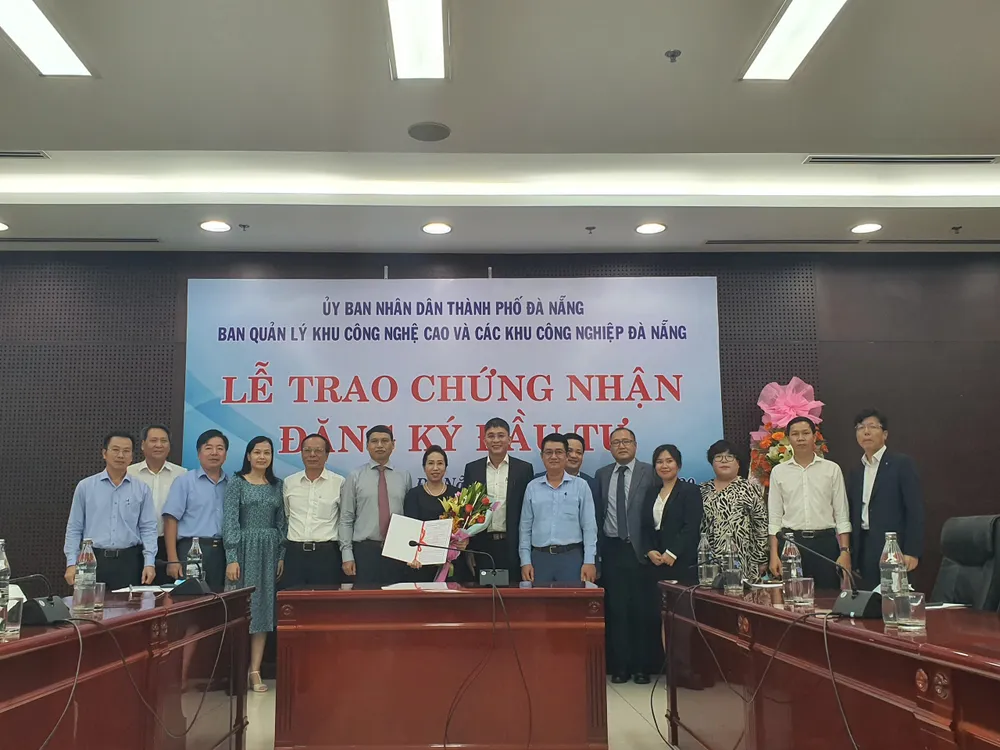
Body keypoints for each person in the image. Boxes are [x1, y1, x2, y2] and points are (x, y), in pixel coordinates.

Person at [224, 436, 287, 694]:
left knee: (263, 610)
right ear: (248, 456)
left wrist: (281, 555)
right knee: (241, 611)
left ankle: (255, 670)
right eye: (257, 452)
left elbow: (282, 523)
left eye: (267, 453)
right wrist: (232, 557)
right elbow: (230, 520)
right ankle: (236, 671)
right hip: (243, 550)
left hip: (269, 553)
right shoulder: (236, 483)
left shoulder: (277, 485)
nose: (262, 457)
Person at [595, 426, 655, 684]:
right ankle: (620, 667)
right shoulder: (602, 474)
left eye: (626, 441)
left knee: (641, 610)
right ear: (610, 447)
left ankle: (642, 667)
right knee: (616, 610)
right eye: (616, 442)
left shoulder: (649, 472)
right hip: (612, 549)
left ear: (635, 445)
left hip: (640, 550)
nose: (621, 446)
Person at [641, 444, 703, 689]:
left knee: (682, 620)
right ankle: (670, 670)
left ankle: (685, 670)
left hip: (681, 564)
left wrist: (672, 553)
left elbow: (691, 526)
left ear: (679, 464)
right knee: (661, 618)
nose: (664, 465)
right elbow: (645, 527)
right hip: (655, 565)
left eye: (669, 461)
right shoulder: (651, 493)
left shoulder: (690, 491)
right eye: (659, 461)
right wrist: (649, 551)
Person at [63, 432, 157, 591]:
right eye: (115, 450)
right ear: (104, 453)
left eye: (126, 451)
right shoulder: (85, 487)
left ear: (132, 457)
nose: (121, 455)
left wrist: (149, 563)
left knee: (128, 606)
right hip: (92, 559)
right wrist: (71, 563)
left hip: (129, 561)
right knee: (89, 605)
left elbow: (148, 528)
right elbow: (74, 528)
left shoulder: (142, 489)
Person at [768, 417, 851, 591]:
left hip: (825, 544)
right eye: (795, 434)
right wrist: (774, 554)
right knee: (793, 598)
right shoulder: (778, 472)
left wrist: (845, 551)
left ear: (814, 436)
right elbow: (774, 518)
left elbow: (842, 514)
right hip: (791, 544)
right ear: (788, 439)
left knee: (828, 598)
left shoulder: (832, 469)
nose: (800, 438)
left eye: (805, 433)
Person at [847, 409, 925, 591]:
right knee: (869, 602)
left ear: (885, 434)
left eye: (872, 427)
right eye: (860, 428)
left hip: (894, 549)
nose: (866, 432)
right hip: (865, 548)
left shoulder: (901, 464)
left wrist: (912, 551)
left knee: (895, 600)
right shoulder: (856, 470)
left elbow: (915, 510)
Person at [462, 417, 534, 582]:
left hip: (513, 546)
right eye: (491, 436)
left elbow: (528, 511)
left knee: (512, 592)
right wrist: (469, 549)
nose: (496, 440)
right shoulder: (472, 469)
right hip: (482, 547)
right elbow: (467, 510)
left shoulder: (523, 469)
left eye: (501, 435)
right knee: (485, 593)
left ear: (509, 439)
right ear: (484, 440)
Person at [519, 433, 598, 584]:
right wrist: (525, 561)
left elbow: (589, 527)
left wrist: (589, 561)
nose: (554, 457)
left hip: (571, 558)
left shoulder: (581, 486)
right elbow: (525, 528)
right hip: (539, 559)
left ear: (566, 456)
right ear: (542, 456)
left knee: (571, 600)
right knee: (538, 599)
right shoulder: (532, 487)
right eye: (549, 452)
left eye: (559, 452)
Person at [339, 425, 412, 586]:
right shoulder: (355, 476)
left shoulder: (404, 476)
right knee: (366, 600)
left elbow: (409, 518)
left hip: (397, 551)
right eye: (374, 441)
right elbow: (346, 518)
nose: (379, 445)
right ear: (367, 445)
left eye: (385, 441)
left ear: (393, 444)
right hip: (365, 552)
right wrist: (347, 555)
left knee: (397, 599)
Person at [161, 429, 229, 590]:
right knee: (191, 598)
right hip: (192, 551)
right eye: (208, 448)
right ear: (199, 453)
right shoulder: (184, 481)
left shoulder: (231, 484)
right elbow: (170, 520)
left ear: (225, 454)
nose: (214, 453)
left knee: (220, 598)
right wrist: (173, 559)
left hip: (223, 552)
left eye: (220, 448)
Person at [700, 440, 768, 583]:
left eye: (730, 456)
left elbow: (760, 525)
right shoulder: (702, 490)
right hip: (709, 563)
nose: (724, 460)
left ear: (738, 463)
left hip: (744, 562)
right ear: (711, 462)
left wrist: (761, 559)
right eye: (718, 457)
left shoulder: (749, 489)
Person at [282, 433, 345, 588]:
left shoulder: (339, 482)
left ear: (327, 455)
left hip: (326, 555)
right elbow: (287, 515)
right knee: (293, 600)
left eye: (318, 451)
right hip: (295, 554)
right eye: (307, 450)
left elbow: (344, 519)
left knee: (325, 601)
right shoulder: (289, 482)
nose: (312, 455)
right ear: (301, 453)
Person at [127, 424, 186, 582]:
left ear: (169, 446)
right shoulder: (129, 473)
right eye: (153, 440)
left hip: (168, 546)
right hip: (135, 546)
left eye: (163, 441)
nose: (159, 445)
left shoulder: (182, 475)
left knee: (166, 593)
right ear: (142, 445)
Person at [403, 445, 461, 582]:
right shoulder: (413, 495)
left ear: (445, 467)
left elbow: (463, 528)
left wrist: (463, 540)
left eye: (440, 463)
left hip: (451, 564)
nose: (435, 468)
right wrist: (412, 556)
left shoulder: (456, 494)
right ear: (424, 467)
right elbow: (409, 531)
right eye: (430, 463)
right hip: (420, 564)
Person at [533, 431, 599, 497]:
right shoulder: (536, 481)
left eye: (579, 452)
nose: (573, 456)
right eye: (569, 451)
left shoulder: (591, 484)